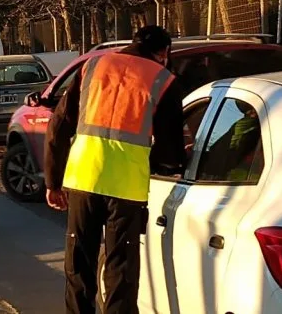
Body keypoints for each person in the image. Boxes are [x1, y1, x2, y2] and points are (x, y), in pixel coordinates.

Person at [44, 25, 186, 313]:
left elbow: (59, 125)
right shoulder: (163, 79)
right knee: (121, 266)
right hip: (127, 186)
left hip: (84, 177)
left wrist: (53, 181)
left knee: (80, 262)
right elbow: (170, 147)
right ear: (164, 52)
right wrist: (166, 166)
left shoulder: (93, 65)